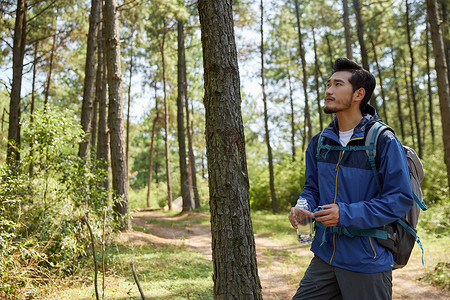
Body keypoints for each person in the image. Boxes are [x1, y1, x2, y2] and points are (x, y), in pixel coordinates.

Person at [289, 58, 413, 300]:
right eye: (328, 84)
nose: (328, 90)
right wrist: (303, 205)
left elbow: (400, 199)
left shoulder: (382, 140)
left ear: (358, 94)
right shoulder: (320, 142)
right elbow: (312, 188)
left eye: (337, 84)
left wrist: (345, 214)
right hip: (326, 255)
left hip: (367, 258)